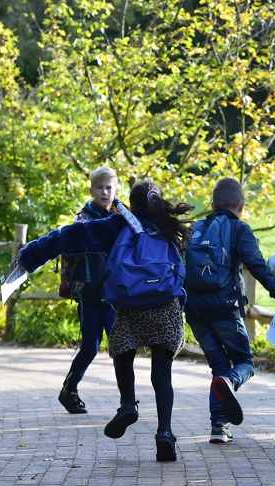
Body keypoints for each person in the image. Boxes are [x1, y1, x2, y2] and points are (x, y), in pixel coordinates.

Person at [18, 180, 193, 463]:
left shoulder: (117, 225)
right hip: (165, 306)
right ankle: (164, 432)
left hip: (131, 303)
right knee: (162, 373)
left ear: (131, 204)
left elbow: (70, 236)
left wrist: (31, 255)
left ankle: (127, 403)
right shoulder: (172, 228)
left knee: (122, 351)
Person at [185, 177, 275, 445]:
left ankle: (218, 427)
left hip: (195, 310)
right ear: (242, 205)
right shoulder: (239, 229)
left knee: (218, 366)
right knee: (244, 363)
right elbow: (257, 266)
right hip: (225, 308)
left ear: (212, 205)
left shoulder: (195, 228)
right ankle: (231, 383)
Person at [57, 166, 121, 415]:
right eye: (99, 187)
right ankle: (69, 390)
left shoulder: (123, 218)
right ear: (91, 189)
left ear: (116, 189)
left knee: (120, 347)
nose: (104, 192)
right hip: (91, 294)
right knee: (90, 347)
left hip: (116, 294)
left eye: (109, 187)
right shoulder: (84, 220)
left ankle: (127, 402)